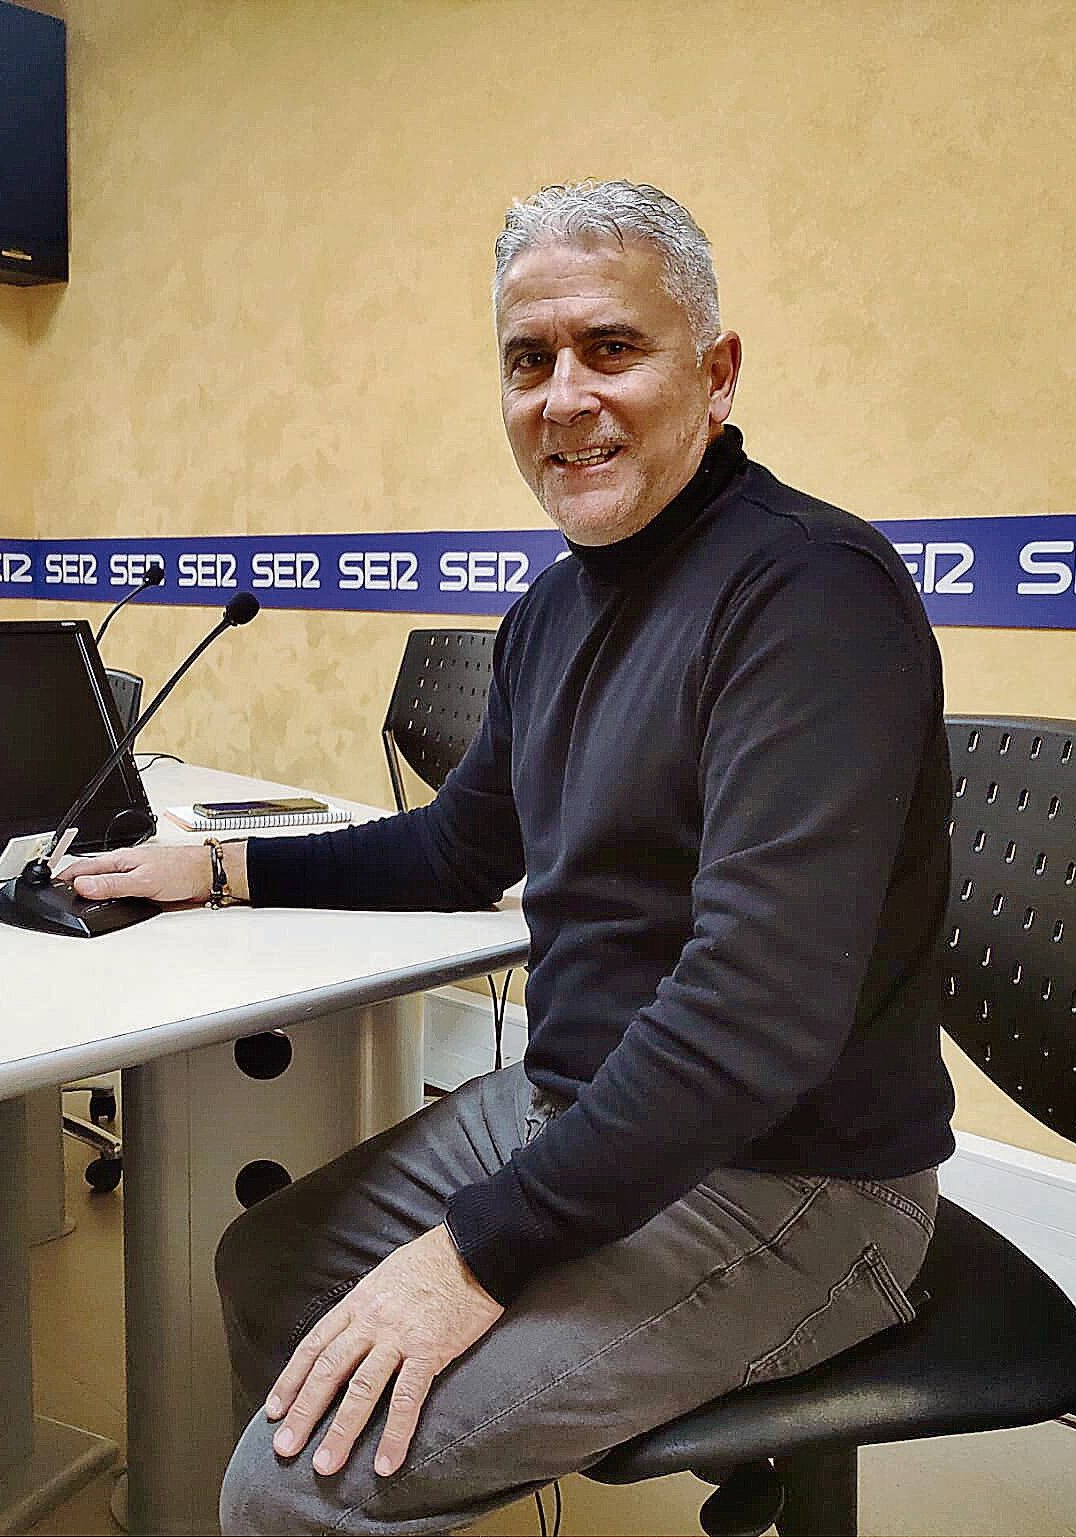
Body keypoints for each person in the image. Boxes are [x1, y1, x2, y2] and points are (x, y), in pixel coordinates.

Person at [57, 179, 957, 1536]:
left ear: (714, 373)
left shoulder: (809, 599)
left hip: (795, 1183)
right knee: (264, 1268)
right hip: (580, 1102)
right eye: (528, 361)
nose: (564, 397)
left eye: (611, 348)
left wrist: (478, 1249)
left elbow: (752, 1017)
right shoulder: (550, 610)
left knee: (293, 1489)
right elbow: (460, 842)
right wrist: (228, 870)